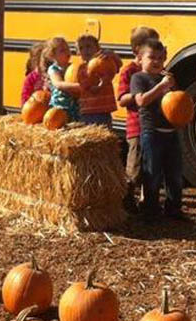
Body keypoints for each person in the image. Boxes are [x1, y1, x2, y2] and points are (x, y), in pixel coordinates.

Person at [130, 39, 184, 220]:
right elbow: (140, 101)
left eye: (160, 58)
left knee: (174, 174)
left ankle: (173, 208)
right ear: (140, 58)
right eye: (151, 57)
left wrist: (173, 86)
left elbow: (178, 102)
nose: (156, 61)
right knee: (152, 172)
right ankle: (150, 210)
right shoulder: (139, 78)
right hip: (151, 132)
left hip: (171, 132)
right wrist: (161, 87)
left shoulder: (166, 78)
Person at [118, 26, 160, 213]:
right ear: (137, 50)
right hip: (136, 126)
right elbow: (121, 99)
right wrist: (137, 96)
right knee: (134, 168)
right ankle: (125, 201)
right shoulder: (129, 71)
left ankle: (147, 202)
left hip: (152, 126)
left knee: (150, 167)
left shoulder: (157, 70)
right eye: (150, 45)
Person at [75, 34, 122, 128]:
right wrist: (102, 85)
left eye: (89, 46)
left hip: (104, 110)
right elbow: (90, 89)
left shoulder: (105, 62)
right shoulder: (81, 69)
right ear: (78, 52)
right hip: (89, 111)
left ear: (98, 48)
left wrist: (112, 55)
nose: (85, 50)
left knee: (105, 135)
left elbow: (118, 66)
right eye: (81, 48)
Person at [45, 37, 82, 121]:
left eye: (67, 48)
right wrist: (78, 86)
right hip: (60, 105)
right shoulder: (53, 69)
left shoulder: (73, 67)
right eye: (62, 50)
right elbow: (58, 84)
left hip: (74, 106)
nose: (67, 52)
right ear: (52, 55)